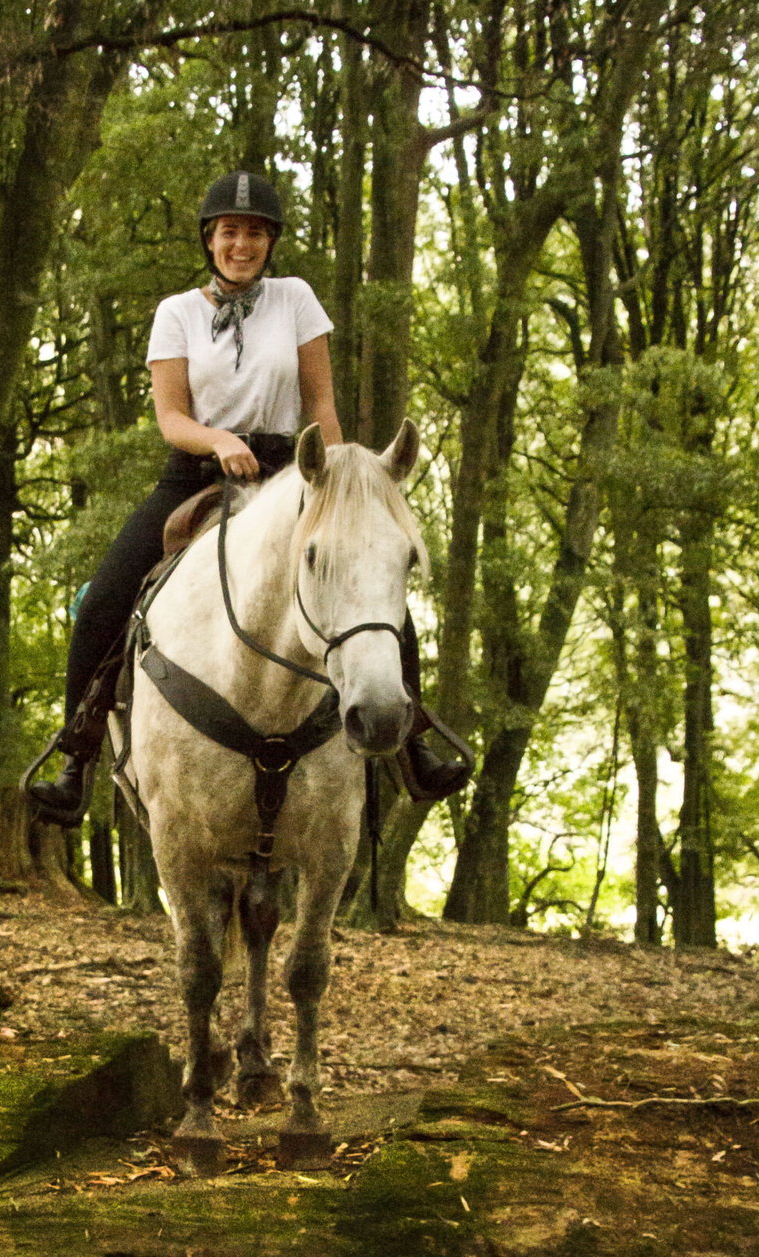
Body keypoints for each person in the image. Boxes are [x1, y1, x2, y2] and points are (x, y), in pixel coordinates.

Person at [26, 171, 468, 825]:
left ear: (270, 242)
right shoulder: (176, 313)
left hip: (293, 469)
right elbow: (171, 416)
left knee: (373, 589)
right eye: (230, 231)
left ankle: (413, 747)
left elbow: (320, 403)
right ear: (209, 240)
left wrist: (340, 483)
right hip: (197, 473)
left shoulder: (296, 300)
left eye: (255, 232)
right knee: (103, 599)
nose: (242, 243)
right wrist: (215, 441)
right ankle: (77, 759)